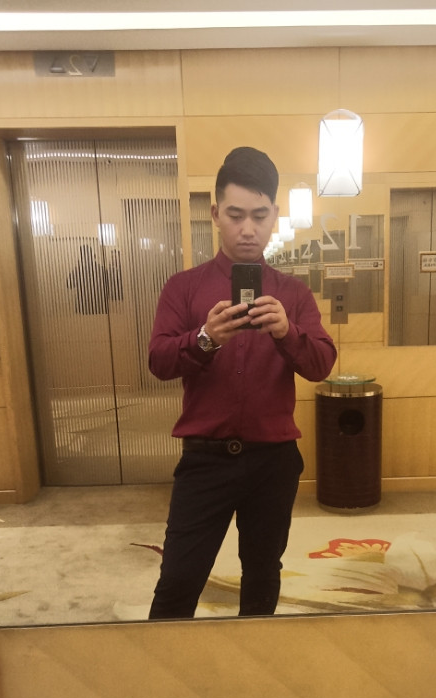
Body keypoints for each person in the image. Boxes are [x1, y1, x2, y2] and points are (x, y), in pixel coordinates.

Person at [147, 147, 337, 619]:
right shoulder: (183, 287)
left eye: (259, 215)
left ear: (275, 215)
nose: (247, 229)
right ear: (215, 214)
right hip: (204, 461)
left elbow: (321, 365)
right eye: (235, 215)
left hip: (273, 462)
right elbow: (158, 361)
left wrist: (287, 333)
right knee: (178, 580)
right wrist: (205, 339)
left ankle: (256, 660)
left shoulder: (293, 294)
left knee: (262, 575)